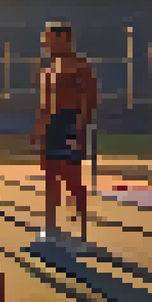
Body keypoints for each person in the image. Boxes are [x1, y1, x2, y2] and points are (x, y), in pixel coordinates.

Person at [35, 21, 96, 245]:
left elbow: (89, 100)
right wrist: (39, 129)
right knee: (50, 175)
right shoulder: (47, 70)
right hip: (51, 126)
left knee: (71, 177)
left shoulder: (80, 66)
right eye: (45, 39)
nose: (46, 44)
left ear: (65, 40)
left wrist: (80, 128)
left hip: (70, 124)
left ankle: (80, 232)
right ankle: (50, 227)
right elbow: (43, 104)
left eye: (50, 39)